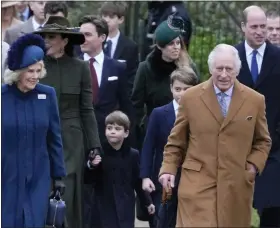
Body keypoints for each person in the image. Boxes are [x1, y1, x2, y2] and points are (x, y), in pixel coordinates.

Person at [158, 44, 272, 227]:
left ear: (237, 70)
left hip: (235, 186)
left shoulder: (255, 100)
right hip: (197, 185)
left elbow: (263, 141)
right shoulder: (191, 98)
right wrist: (168, 169)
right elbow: (176, 142)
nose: (224, 74)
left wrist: (251, 166)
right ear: (211, 69)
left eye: (229, 69)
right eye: (219, 68)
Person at [34, 16, 101, 228]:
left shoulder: (80, 67)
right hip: (41, 140)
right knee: (42, 193)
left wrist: (94, 146)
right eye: (45, 36)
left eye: (51, 37)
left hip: (72, 141)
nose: (46, 41)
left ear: (64, 40)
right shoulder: (35, 68)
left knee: (69, 197)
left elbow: (86, 109)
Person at [1, 33, 66, 228]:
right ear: (18, 72)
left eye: (39, 70)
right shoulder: (2, 97)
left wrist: (58, 176)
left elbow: (54, 138)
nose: (35, 76)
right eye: (30, 71)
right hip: (7, 175)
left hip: (39, 174)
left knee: (34, 221)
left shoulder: (47, 95)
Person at [235, 5, 280, 227]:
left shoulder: (278, 56)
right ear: (243, 27)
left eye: (263, 26)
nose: (260, 31)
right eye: (254, 26)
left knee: (271, 209)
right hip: (236, 146)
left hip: (274, 145)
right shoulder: (231, 57)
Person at [140, 67, 198, 227]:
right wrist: (145, 177)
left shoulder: (201, 114)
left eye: (187, 89)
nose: (182, 93)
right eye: (178, 89)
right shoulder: (159, 113)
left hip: (191, 177)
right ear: (171, 88)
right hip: (163, 178)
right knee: (163, 220)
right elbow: (148, 146)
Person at [131, 17, 199, 151]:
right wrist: (142, 128)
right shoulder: (146, 69)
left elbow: (199, 99)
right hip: (155, 131)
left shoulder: (189, 68)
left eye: (178, 43)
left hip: (184, 130)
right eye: (171, 44)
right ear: (160, 46)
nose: (176, 47)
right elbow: (136, 105)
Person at [85, 111, 155, 228]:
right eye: (109, 128)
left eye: (117, 129)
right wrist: (91, 165)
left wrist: (147, 202)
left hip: (125, 208)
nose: (112, 131)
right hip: (103, 208)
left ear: (126, 133)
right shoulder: (98, 153)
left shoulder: (133, 155)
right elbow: (88, 180)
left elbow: (138, 182)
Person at [79, 15, 134, 144]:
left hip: (108, 139)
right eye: (80, 35)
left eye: (87, 35)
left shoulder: (117, 67)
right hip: (78, 138)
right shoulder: (72, 66)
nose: (82, 39)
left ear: (102, 37)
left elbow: (126, 104)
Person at [100, 2, 139, 96]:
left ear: (121, 19)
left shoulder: (130, 46)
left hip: (120, 99)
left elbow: (132, 76)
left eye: (111, 17)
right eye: (104, 16)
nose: (106, 20)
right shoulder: (95, 41)